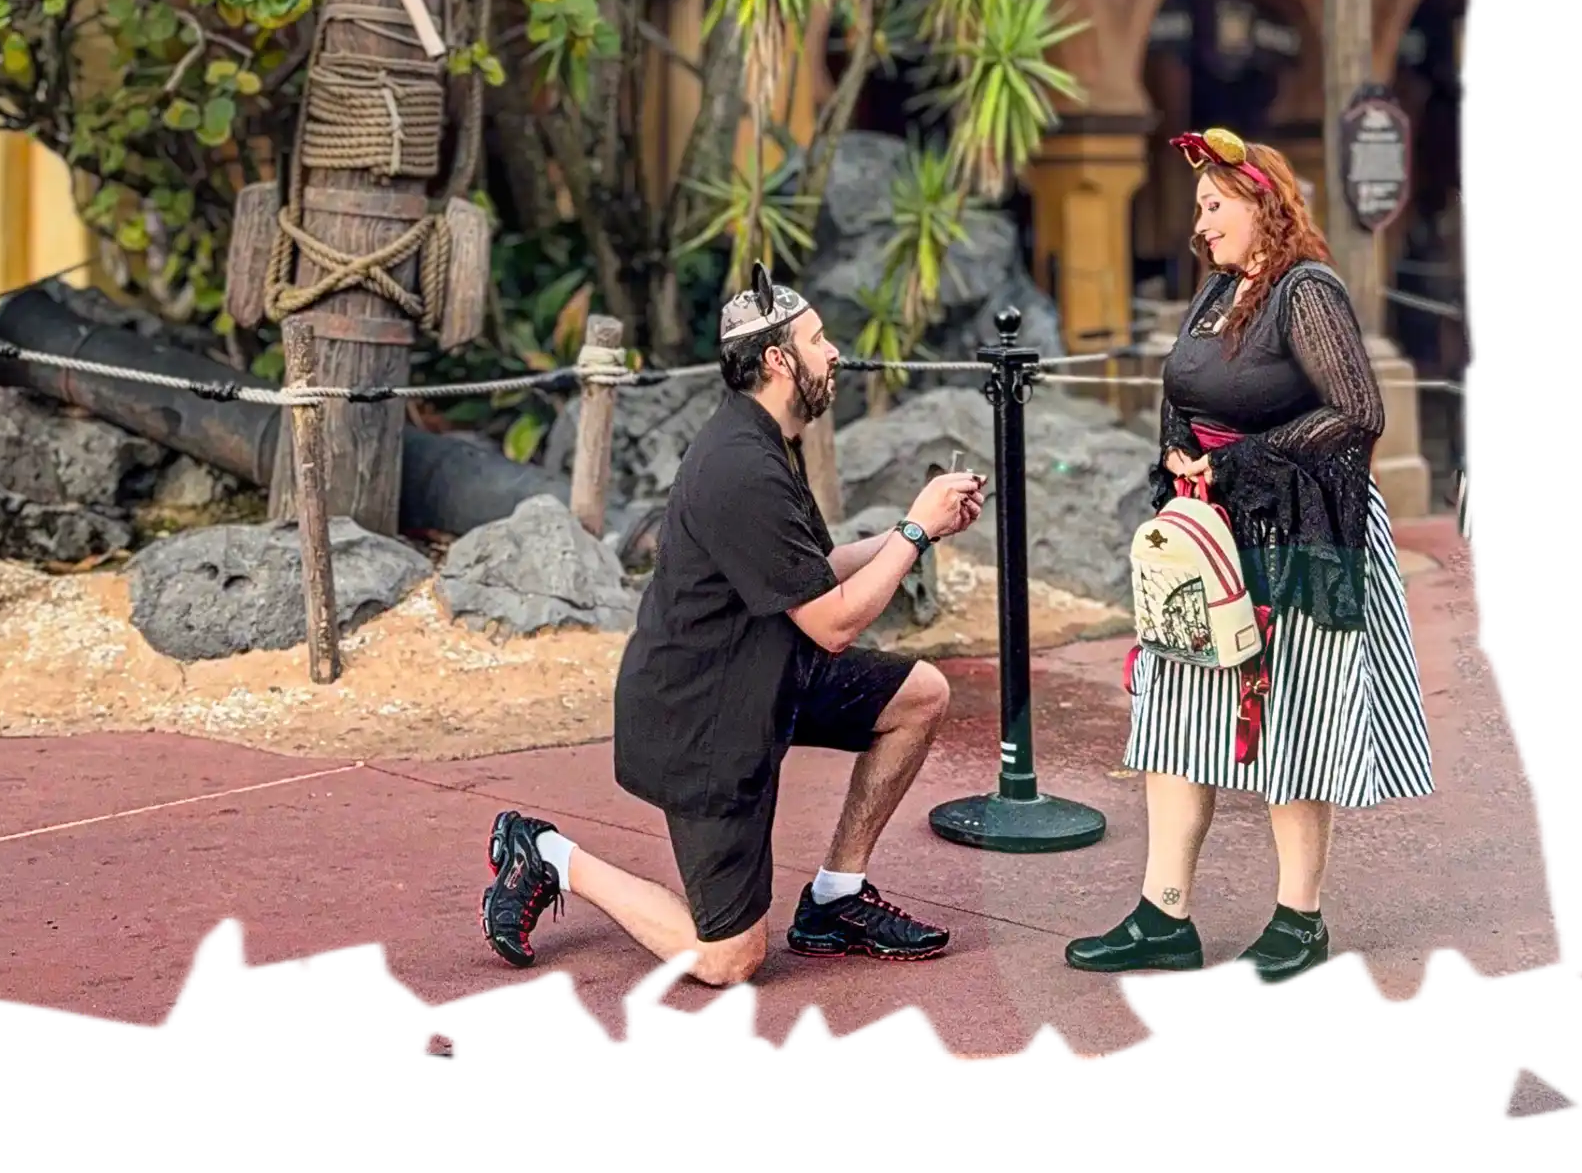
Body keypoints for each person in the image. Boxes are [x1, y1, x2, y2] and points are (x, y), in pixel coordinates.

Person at [481, 265, 985, 989]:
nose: (835, 352)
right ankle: (551, 855)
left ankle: (834, 901)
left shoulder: (764, 442)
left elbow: (813, 568)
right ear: (779, 360)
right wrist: (913, 528)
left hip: (766, 673)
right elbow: (834, 623)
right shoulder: (740, 467)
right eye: (819, 341)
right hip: (704, 720)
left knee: (919, 694)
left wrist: (921, 532)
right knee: (732, 958)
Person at [1066, 129, 1434, 984]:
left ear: (1261, 202)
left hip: (1300, 536)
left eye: (1214, 206)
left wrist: (1234, 462)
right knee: (1175, 712)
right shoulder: (1216, 293)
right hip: (1215, 535)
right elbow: (1183, 390)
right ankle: (1164, 915)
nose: (1201, 225)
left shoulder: (1307, 290)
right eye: (1198, 209)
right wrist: (1178, 450)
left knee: (1293, 726)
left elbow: (1358, 410)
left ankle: (1299, 919)